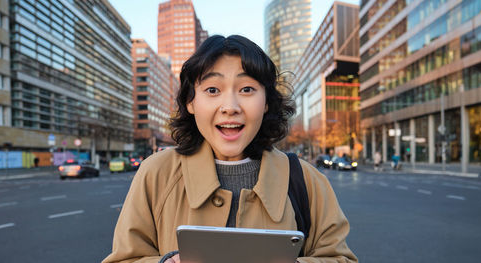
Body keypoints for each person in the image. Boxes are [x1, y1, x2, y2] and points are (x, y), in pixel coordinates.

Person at [102, 35, 357, 263]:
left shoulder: (307, 180)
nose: (230, 106)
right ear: (191, 102)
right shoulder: (156, 173)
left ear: (266, 102)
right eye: (212, 90)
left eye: (247, 89)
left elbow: (340, 258)